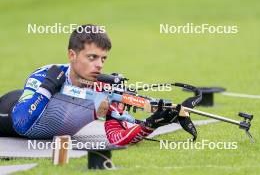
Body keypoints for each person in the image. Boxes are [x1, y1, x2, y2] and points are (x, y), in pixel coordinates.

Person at [0, 24, 195, 145]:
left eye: (103, 59)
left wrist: (156, 120)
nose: (99, 65)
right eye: (92, 57)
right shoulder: (45, 75)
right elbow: (21, 123)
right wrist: (48, 87)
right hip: (7, 112)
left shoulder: (99, 91)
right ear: (72, 55)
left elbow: (120, 133)